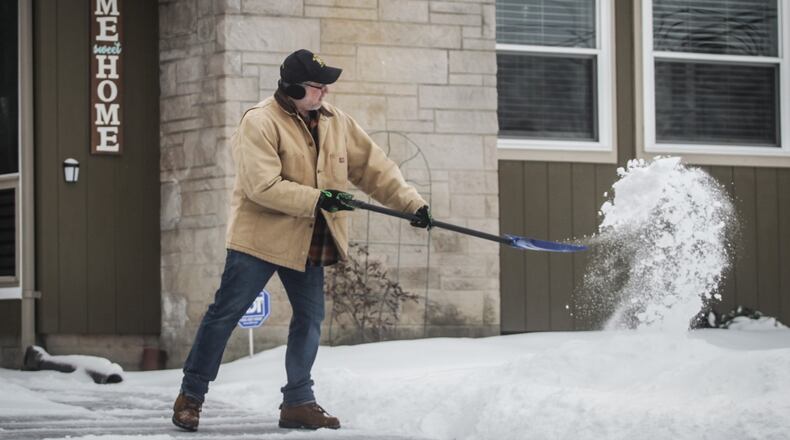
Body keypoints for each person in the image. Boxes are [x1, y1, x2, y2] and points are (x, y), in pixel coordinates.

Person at [171, 49, 433, 432]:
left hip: (309, 236)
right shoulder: (259, 122)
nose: (325, 93)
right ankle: (190, 397)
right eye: (317, 86)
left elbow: (374, 168)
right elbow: (262, 186)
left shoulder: (336, 121)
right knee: (224, 315)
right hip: (257, 239)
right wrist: (319, 197)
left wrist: (413, 204)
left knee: (310, 320)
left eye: (326, 86)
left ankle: (298, 402)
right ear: (291, 86)